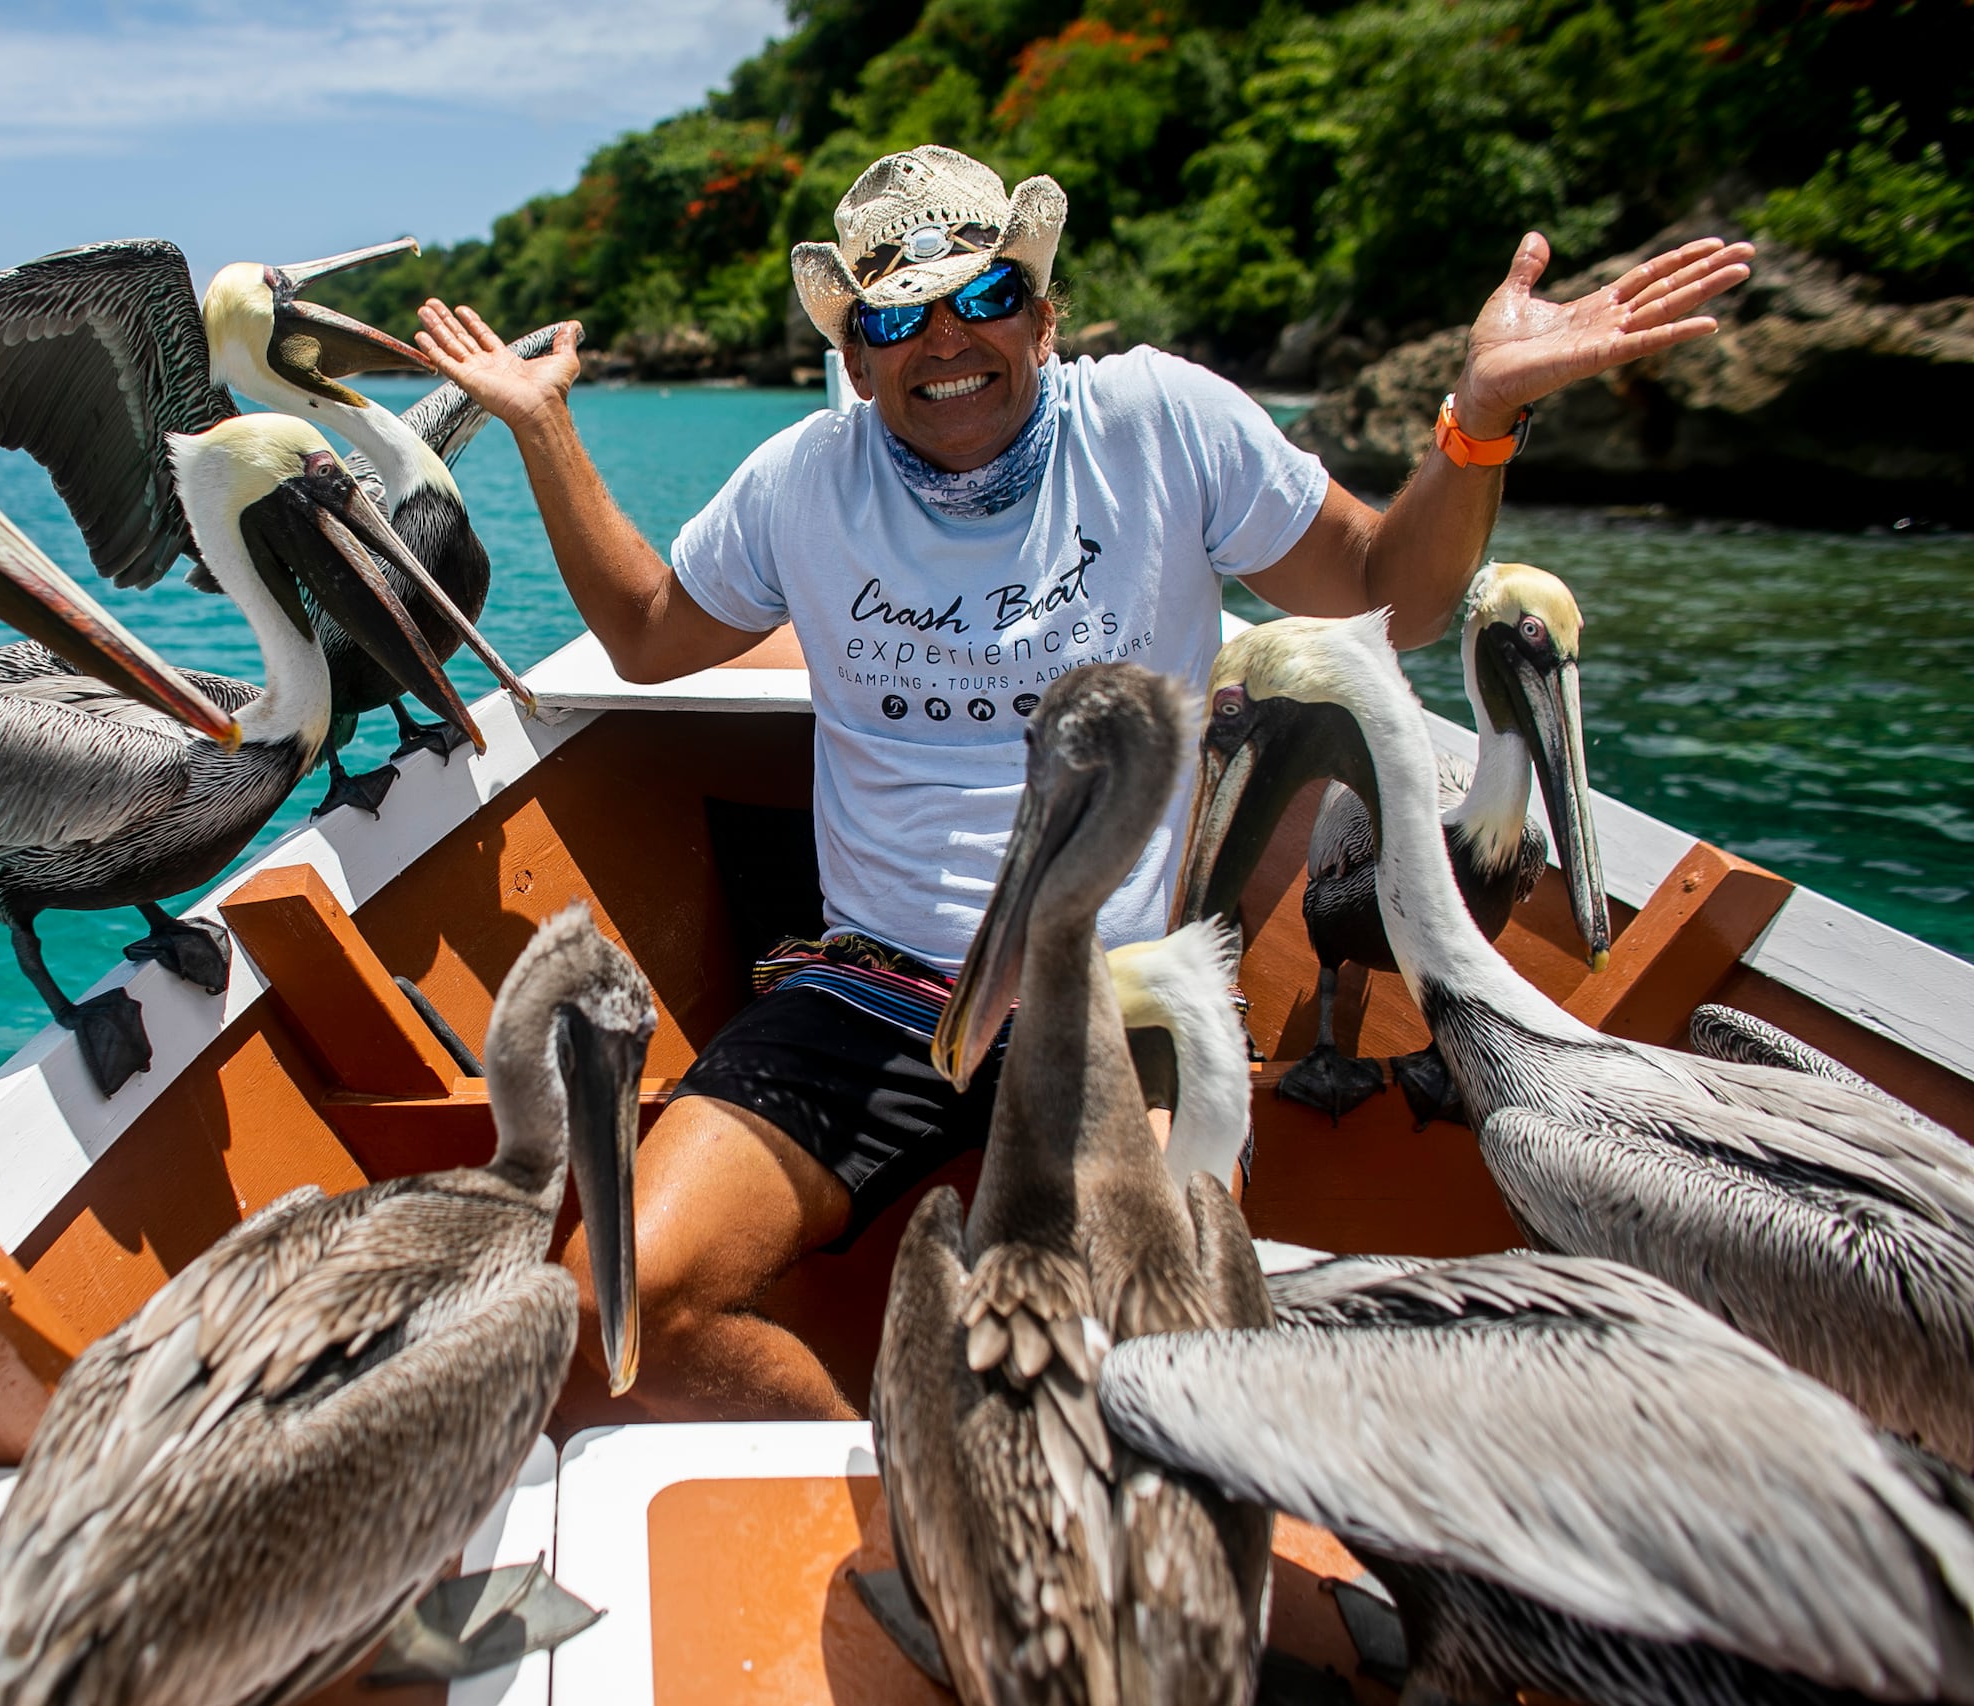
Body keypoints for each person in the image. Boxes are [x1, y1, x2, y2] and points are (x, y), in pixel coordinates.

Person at [415, 146, 1750, 1422]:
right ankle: (915, 1496)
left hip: (1118, 995)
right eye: (901, 319)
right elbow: (648, 632)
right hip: (872, 983)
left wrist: (1481, 420)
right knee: (618, 1306)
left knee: (1164, 1357)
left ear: (1044, 316)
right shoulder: (801, 484)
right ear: (856, 356)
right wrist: (542, 428)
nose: (948, 342)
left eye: (985, 298)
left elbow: (1388, 595)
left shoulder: (1162, 427)